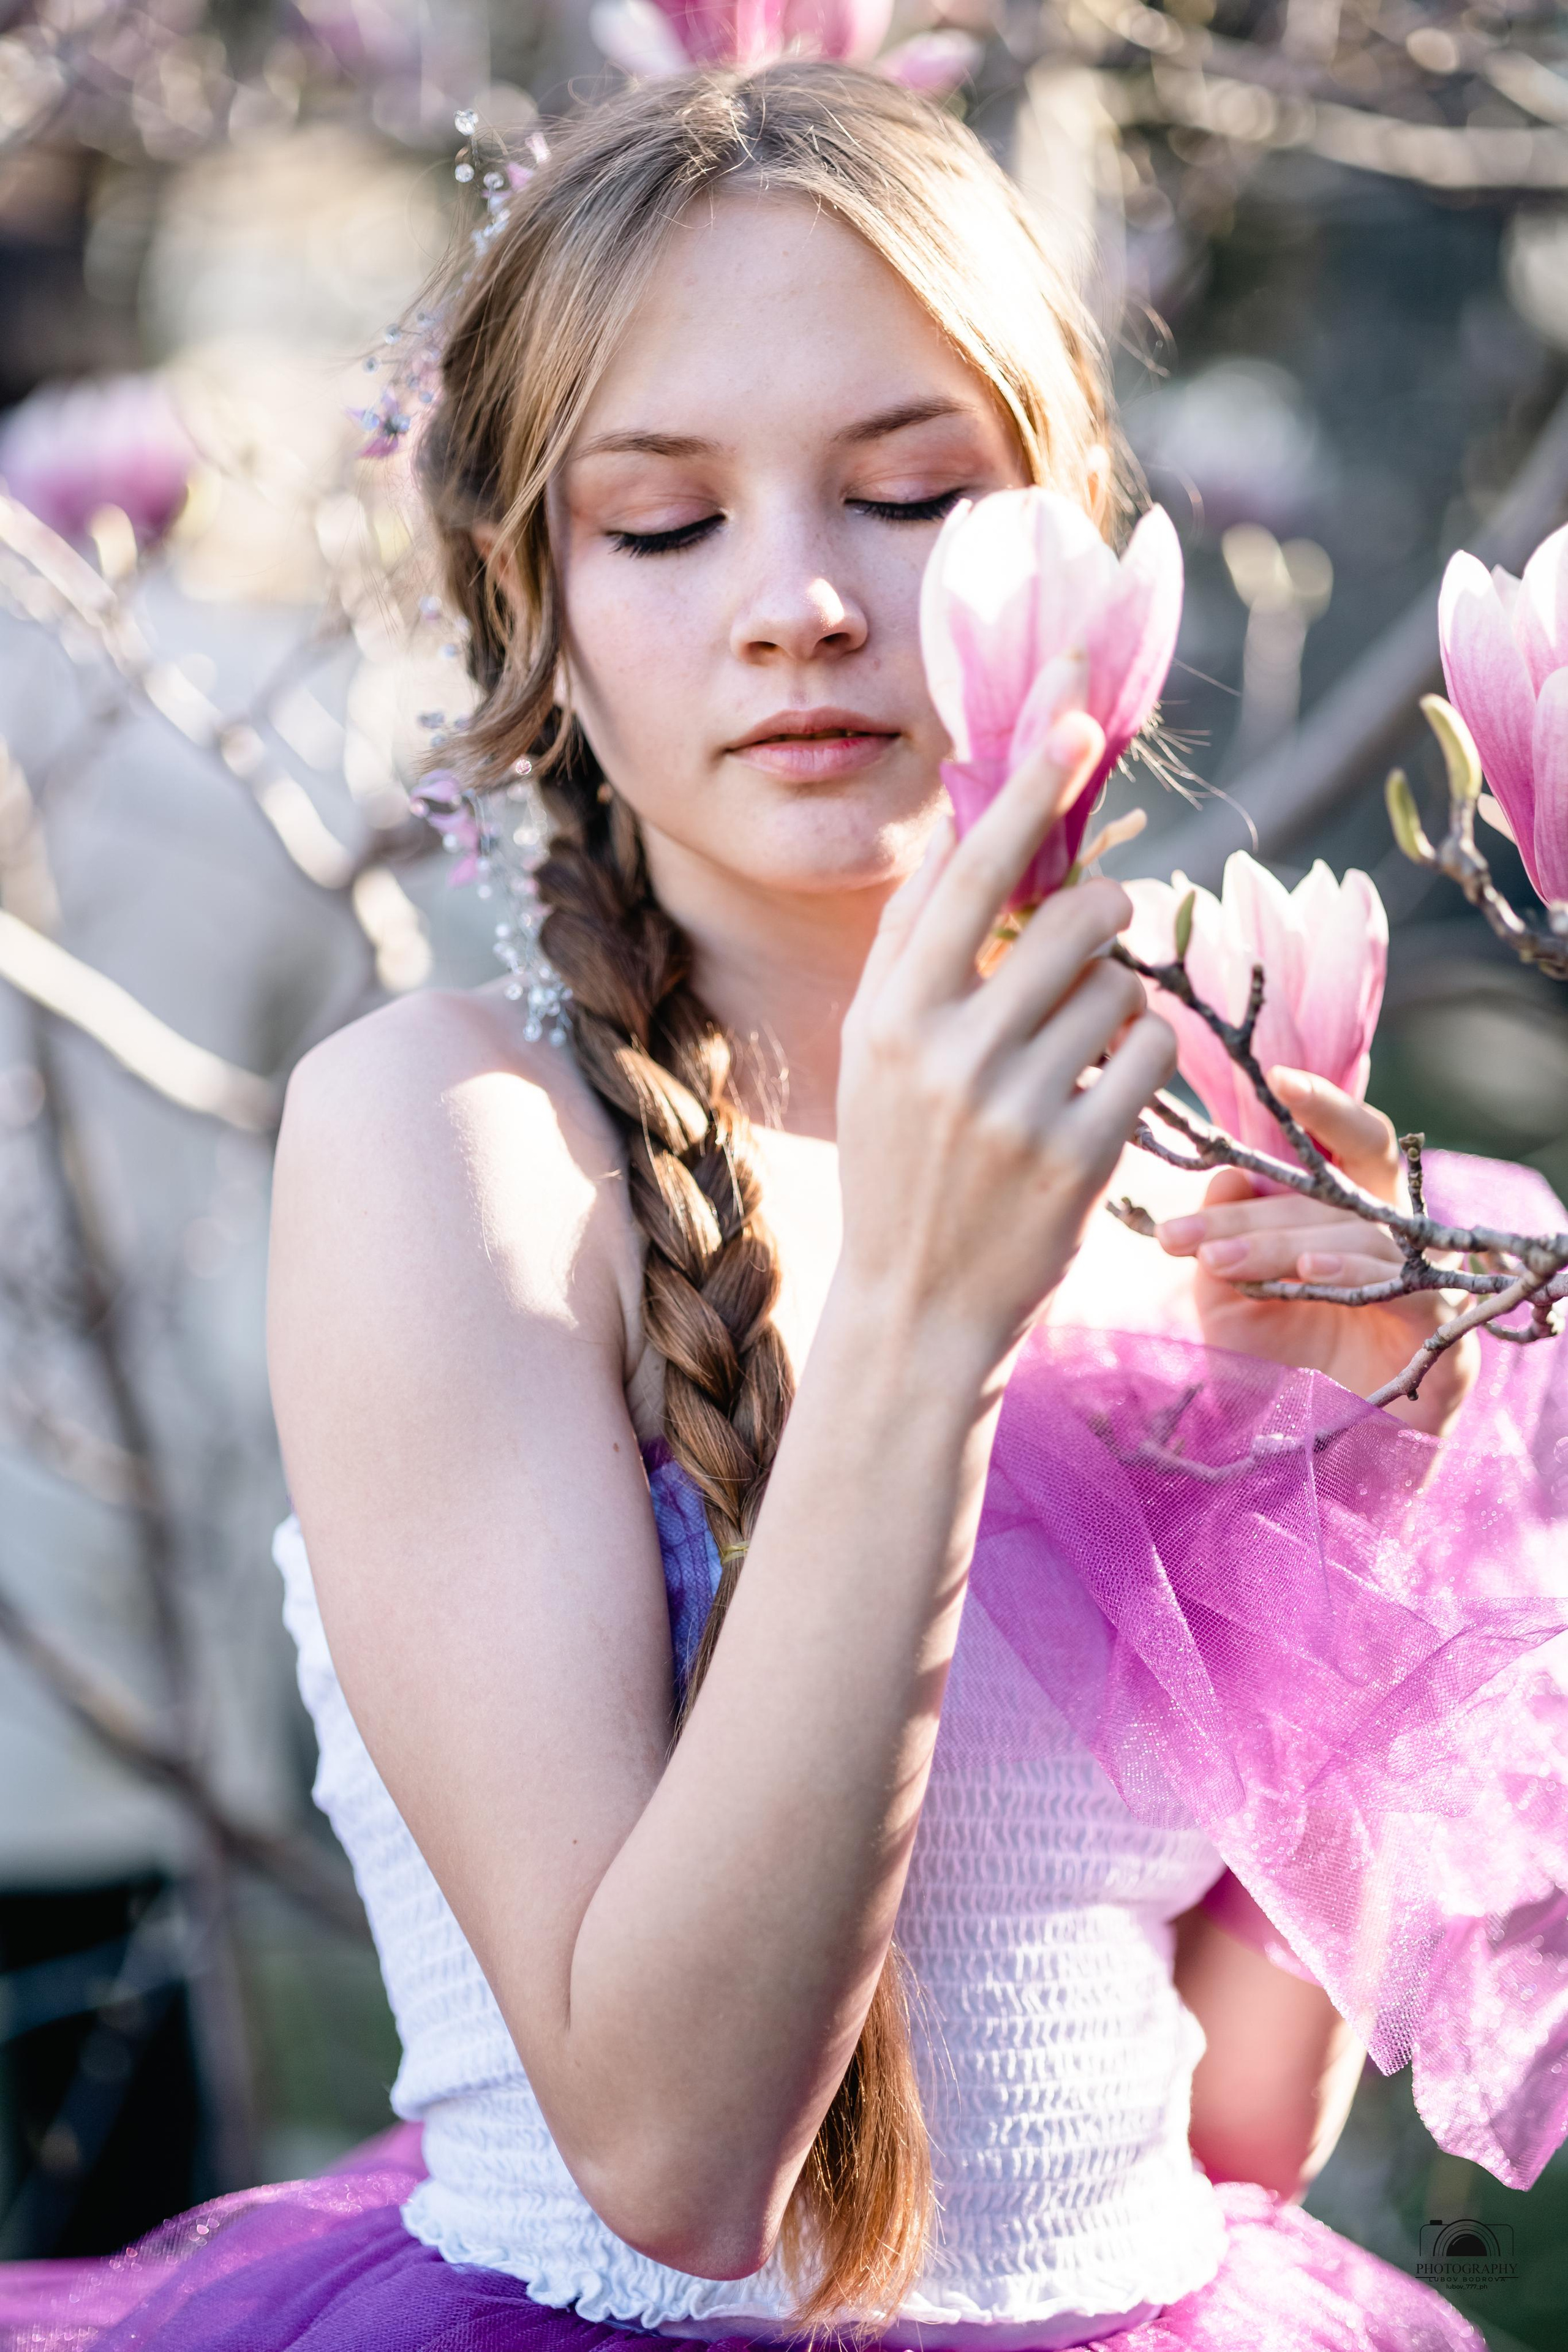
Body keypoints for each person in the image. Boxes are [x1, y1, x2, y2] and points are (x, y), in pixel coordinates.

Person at [4, 61, 1564, 2352]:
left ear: (1074, 554)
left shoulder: (1193, 1160)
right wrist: (924, 1332)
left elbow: (1237, 2133)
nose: (805, 606)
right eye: (664, 527)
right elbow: (677, 2156)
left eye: (911, 494)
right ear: (533, 603)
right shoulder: (460, 1155)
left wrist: (1335, 1489)